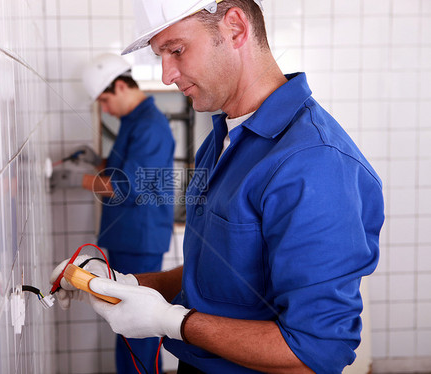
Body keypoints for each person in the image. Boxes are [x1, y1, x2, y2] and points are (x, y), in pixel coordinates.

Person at [51, 1, 385, 373]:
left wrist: (173, 322)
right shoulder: (221, 140)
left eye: (176, 50)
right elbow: (218, 269)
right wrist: (122, 282)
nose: (165, 75)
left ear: (236, 28)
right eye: (161, 55)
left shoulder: (315, 163)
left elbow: (314, 353)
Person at [51, 53, 176, 374]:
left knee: (137, 328)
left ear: (121, 86)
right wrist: (98, 163)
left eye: (105, 101)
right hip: (129, 235)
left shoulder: (150, 125)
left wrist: (76, 180)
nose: (104, 109)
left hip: (140, 237)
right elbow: (126, 169)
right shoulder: (134, 121)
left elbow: (126, 187)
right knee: (125, 322)